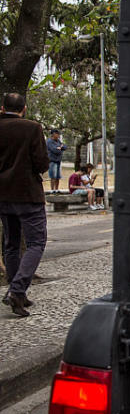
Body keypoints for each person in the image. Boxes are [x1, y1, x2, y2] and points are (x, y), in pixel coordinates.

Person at [0, 92, 50, 317]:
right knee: (36, 243)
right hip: (28, 193)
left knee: (11, 243)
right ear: (25, 108)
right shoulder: (32, 128)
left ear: (2, 108)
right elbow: (41, 162)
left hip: (3, 194)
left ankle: (14, 289)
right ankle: (17, 290)